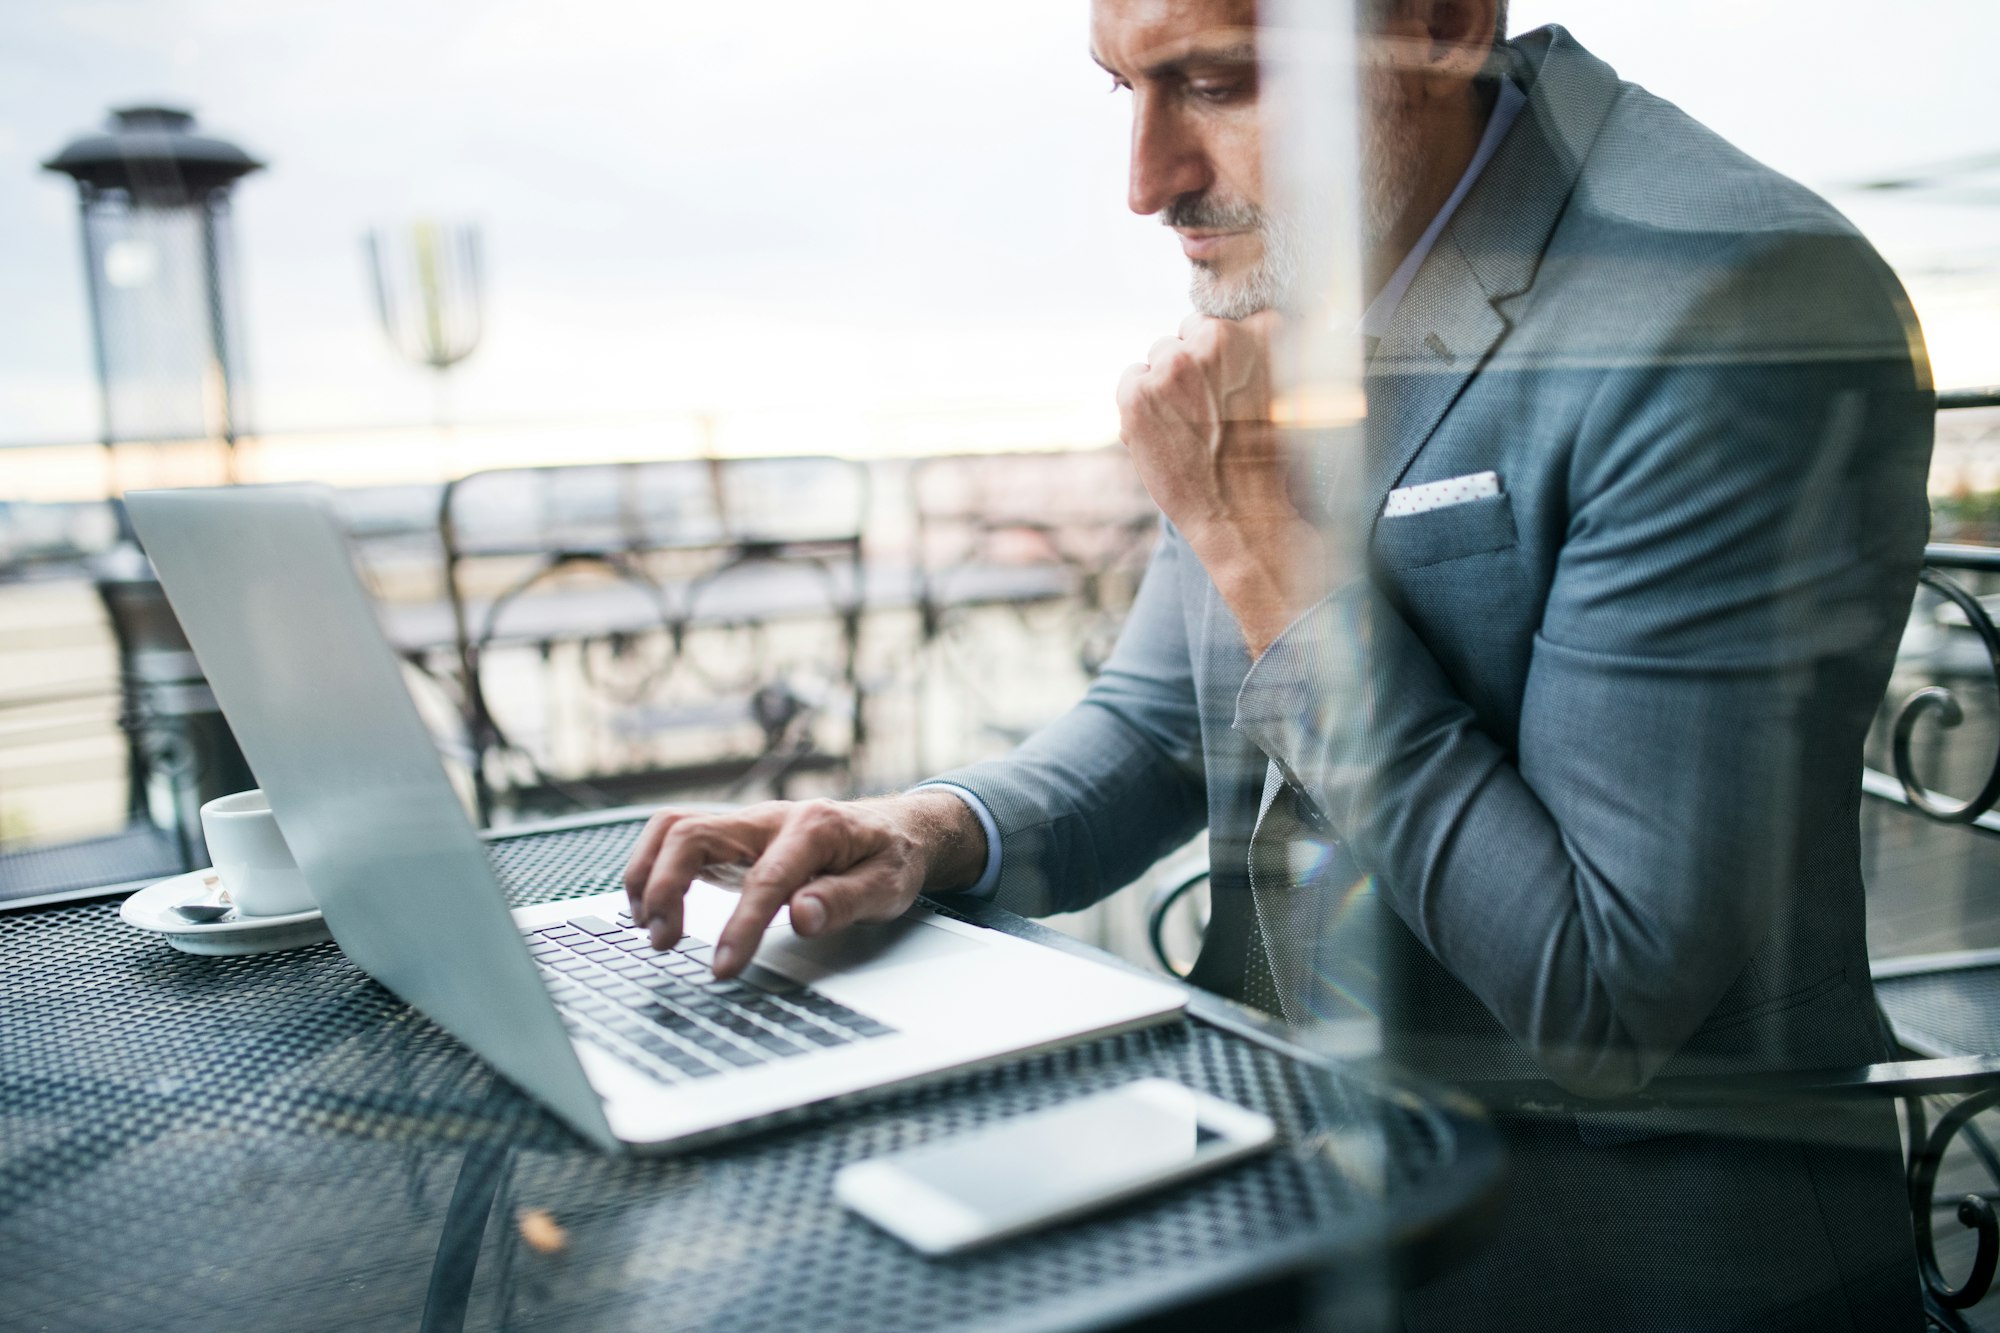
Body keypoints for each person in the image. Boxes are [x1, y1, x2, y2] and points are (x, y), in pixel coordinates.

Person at [626, 1, 1935, 1325]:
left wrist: (1263, 556)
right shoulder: (1323, 246)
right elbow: (1154, 727)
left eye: (1216, 79)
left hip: (1626, 1266)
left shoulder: (1727, 306)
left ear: (1439, 23)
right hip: (1283, 1176)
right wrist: (921, 829)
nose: (1146, 182)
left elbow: (1601, 993)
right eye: (1122, 87)